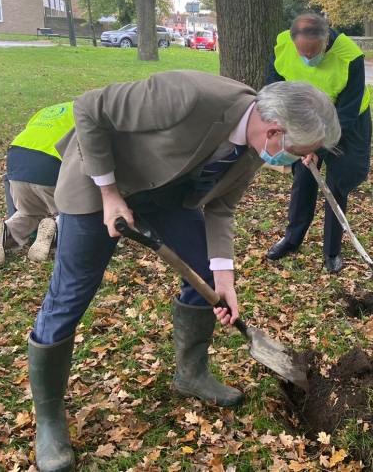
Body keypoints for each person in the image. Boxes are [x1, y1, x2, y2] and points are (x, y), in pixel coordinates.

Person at [27, 70, 340, 472]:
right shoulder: (190, 95)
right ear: (275, 131)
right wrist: (109, 194)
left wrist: (224, 281)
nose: (297, 160)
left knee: (206, 272)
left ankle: (191, 374)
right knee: (71, 294)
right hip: (99, 183)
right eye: (298, 152)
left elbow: (221, 208)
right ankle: (49, 418)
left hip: (170, 196)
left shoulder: (254, 147)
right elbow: (89, 108)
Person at [264, 12, 372, 274]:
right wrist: (289, 135)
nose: (309, 59)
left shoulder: (350, 57)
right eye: (304, 54)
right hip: (306, 117)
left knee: (336, 185)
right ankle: (292, 238)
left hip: (346, 121)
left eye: (315, 53)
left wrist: (317, 148)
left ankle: (332, 250)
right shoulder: (282, 47)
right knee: (303, 179)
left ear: (326, 40)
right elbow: (274, 92)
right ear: (293, 41)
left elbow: (344, 115)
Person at [0, 102, 74, 267]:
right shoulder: (91, 112)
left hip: (17, 161)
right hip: (51, 162)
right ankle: (56, 227)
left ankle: (5, 232)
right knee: (73, 210)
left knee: (29, 212)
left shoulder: (47, 110)